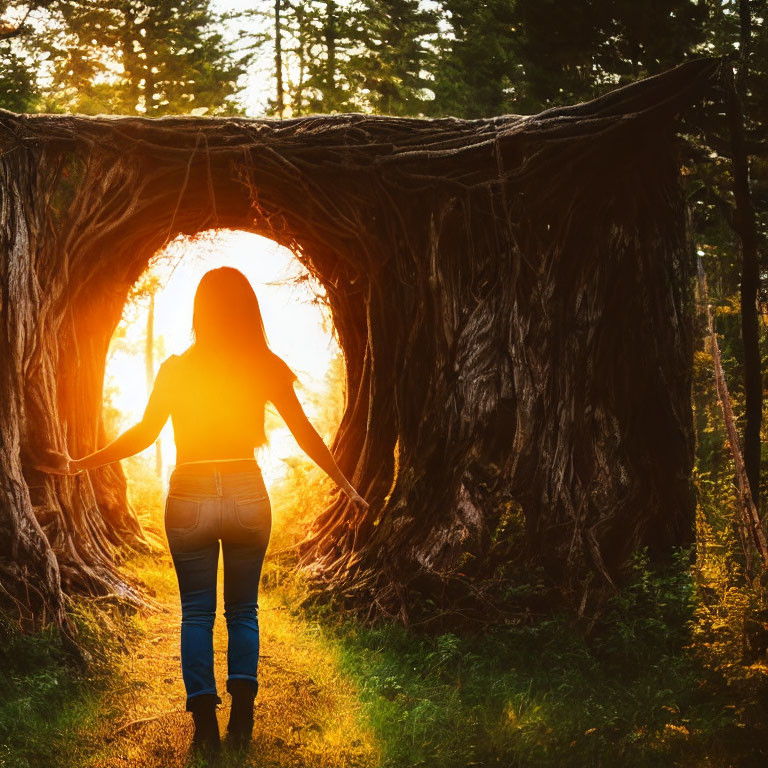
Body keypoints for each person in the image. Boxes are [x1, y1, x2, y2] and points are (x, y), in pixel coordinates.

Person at [39, 266, 369, 758]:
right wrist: (346, 484)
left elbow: (145, 433)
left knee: (196, 612)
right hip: (247, 493)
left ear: (199, 310)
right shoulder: (263, 363)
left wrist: (80, 465)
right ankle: (242, 720)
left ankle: (205, 730)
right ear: (247, 309)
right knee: (242, 610)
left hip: (189, 493)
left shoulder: (176, 368)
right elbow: (304, 430)